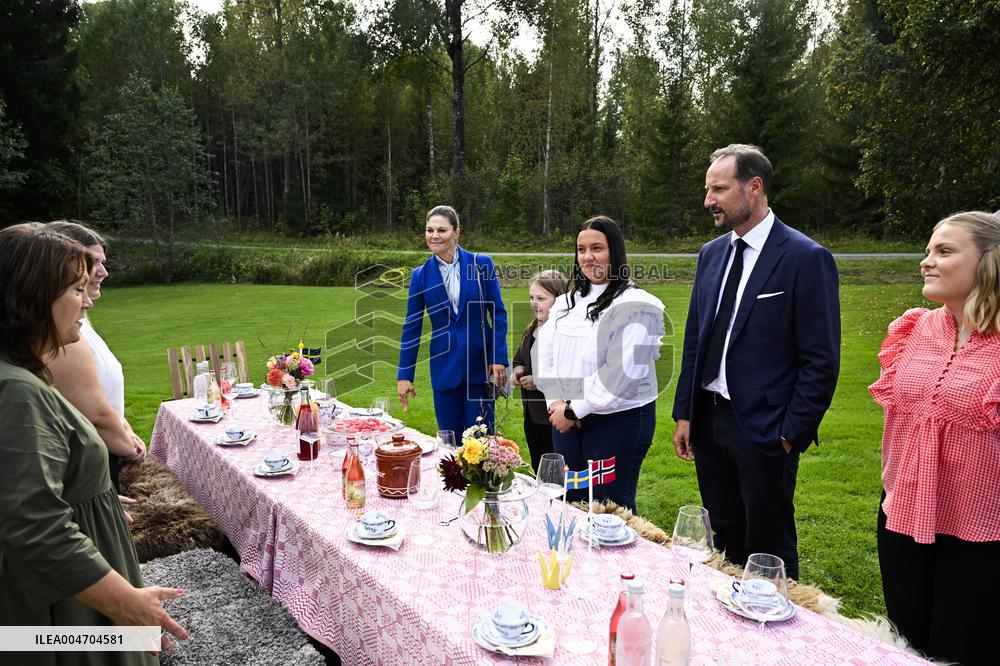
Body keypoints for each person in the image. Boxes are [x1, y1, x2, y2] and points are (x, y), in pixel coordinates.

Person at [0, 224, 187, 662]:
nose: (87, 302)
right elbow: (33, 527)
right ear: (31, 297)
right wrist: (128, 603)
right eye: (77, 289)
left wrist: (89, 498)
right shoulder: (16, 392)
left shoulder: (20, 375)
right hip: (68, 614)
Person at [671, 144, 840, 580]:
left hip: (766, 430)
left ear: (755, 186)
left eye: (719, 189)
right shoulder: (711, 255)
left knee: (769, 548)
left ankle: (780, 638)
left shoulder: (805, 257)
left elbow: (820, 361)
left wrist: (788, 434)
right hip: (709, 424)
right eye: (708, 189)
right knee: (724, 541)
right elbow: (696, 341)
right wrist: (685, 414)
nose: (708, 200)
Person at [869, 211, 1000, 665]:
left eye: (944, 251)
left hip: (980, 535)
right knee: (907, 645)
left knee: (961, 648)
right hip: (903, 514)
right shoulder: (915, 328)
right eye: (928, 250)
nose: (927, 261)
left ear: (989, 261)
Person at [535, 216, 664, 512]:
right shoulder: (566, 303)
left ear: (615, 252)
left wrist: (574, 409)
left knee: (609, 508)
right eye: (581, 249)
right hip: (565, 417)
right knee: (571, 500)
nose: (587, 256)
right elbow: (545, 355)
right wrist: (557, 403)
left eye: (597, 248)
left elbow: (621, 375)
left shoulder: (638, 305)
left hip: (617, 422)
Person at [45, 221, 144, 494]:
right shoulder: (64, 333)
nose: (102, 272)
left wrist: (125, 428)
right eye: (92, 262)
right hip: (91, 459)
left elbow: (101, 396)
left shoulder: (79, 322)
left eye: (102, 262)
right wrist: (129, 449)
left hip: (101, 452)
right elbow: (94, 413)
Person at [396, 205, 509, 436]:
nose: (434, 235)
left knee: (482, 442)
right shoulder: (420, 275)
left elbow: (498, 312)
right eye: (429, 230)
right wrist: (404, 375)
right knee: (449, 443)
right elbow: (412, 327)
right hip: (444, 368)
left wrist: (499, 358)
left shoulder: (481, 264)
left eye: (441, 230)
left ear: (456, 232)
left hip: (480, 365)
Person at [511, 270, 568, 469]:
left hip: (553, 416)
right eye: (531, 297)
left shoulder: (564, 331)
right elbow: (519, 358)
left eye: (541, 298)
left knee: (556, 469)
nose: (534, 303)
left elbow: (567, 371)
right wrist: (518, 371)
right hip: (532, 414)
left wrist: (539, 380)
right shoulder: (533, 327)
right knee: (539, 466)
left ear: (559, 299)